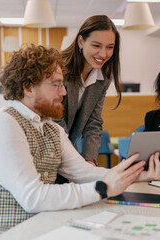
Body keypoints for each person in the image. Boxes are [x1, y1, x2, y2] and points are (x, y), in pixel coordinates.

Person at [0, 45, 160, 240]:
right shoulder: (2, 124)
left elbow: (83, 172)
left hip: (34, 228)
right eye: (56, 85)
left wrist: (138, 175)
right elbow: (33, 197)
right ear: (28, 87)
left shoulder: (52, 129)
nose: (63, 93)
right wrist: (103, 188)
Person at [53, 15, 122, 166]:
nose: (103, 54)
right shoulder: (57, 68)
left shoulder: (103, 77)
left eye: (110, 47)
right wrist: (75, 161)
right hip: (45, 149)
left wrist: (89, 160)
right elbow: (55, 120)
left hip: (67, 148)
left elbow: (94, 123)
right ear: (81, 42)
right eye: (96, 45)